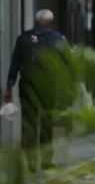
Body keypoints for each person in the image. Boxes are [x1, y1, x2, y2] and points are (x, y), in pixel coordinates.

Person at [3, 9, 67, 169]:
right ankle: (46, 161)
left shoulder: (23, 38)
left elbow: (15, 64)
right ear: (51, 22)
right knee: (46, 123)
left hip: (27, 86)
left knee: (29, 123)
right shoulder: (59, 39)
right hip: (49, 88)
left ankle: (30, 163)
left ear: (36, 21)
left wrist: (9, 85)